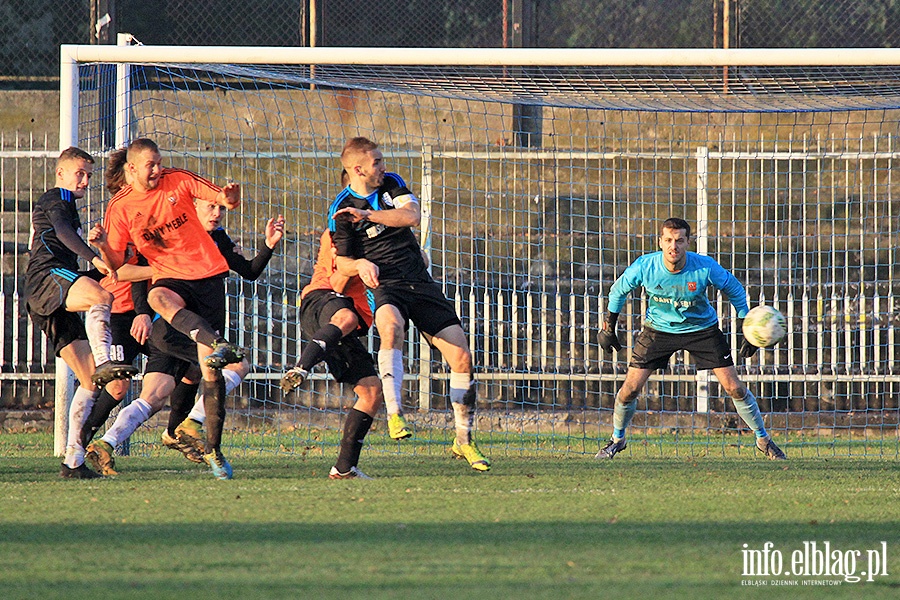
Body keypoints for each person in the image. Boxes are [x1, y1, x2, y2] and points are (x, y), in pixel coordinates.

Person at [87, 189, 284, 477]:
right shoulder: (174, 237)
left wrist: (268, 245)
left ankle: (106, 443)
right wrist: (142, 311)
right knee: (236, 365)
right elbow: (143, 272)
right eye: (210, 207)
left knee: (155, 394)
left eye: (221, 209)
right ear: (191, 208)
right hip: (174, 329)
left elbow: (249, 271)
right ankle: (191, 425)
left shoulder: (218, 240)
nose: (216, 214)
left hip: (184, 333)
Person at [330, 137, 490, 472]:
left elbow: (412, 215)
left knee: (461, 357)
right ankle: (395, 414)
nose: (382, 166)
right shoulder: (341, 210)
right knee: (391, 327)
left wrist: (370, 214)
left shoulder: (392, 183)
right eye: (376, 162)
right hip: (387, 286)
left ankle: (464, 440)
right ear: (358, 169)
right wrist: (359, 265)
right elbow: (341, 264)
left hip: (421, 283)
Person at [91, 138, 244, 479]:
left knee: (209, 373)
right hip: (170, 282)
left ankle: (207, 443)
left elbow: (220, 196)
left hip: (207, 280)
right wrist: (102, 246)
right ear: (131, 169)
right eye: (151, 165)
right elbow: (117, 264)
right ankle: (93, 440)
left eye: (159, 162)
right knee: (160, 299)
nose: (158, 169)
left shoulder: (178, 180)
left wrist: (228, 198)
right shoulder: (121, 207)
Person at [595, 217, 786, 461]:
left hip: (702, 329)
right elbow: (618, 290)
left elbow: (734, 289)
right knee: (629, 390)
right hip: (658, 330)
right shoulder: (645, 266)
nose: (673, 246)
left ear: (688, 242)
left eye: (679, 240)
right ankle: (617, 440)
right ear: (660, 242)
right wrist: (609, 326)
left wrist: (745, 324)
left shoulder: (704, 266)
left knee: (734, 388)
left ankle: (763, 440)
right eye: (668, 240)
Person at [24, 147, 138, 479]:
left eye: (89, 174)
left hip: (51, 298)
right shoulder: (55, 198)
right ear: (61, 173)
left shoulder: (69, 205)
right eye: (79, 173)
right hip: (48, 278)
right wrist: (94, 256)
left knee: (87, 381)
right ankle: (105, 361)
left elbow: (66, 234)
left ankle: (72, 461)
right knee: (101, 295)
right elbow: (61, 233)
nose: (85, 180)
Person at [279, 223, 385, 479]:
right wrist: (362, 263)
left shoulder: (383, 228)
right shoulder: (342, 229)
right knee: (346, 317)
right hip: (323, 298)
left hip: (343, 324)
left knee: (371, 391)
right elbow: (339, 282)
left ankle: (344, 468)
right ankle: (301, 367)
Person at [79, 147, 153, 451]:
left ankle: (184, 432)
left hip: (149, 312)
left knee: (183, 366)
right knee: (118, 385)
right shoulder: (120, 217)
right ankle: (80, 442)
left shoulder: (150, 212)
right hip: (124, 314)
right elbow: (125, 272)